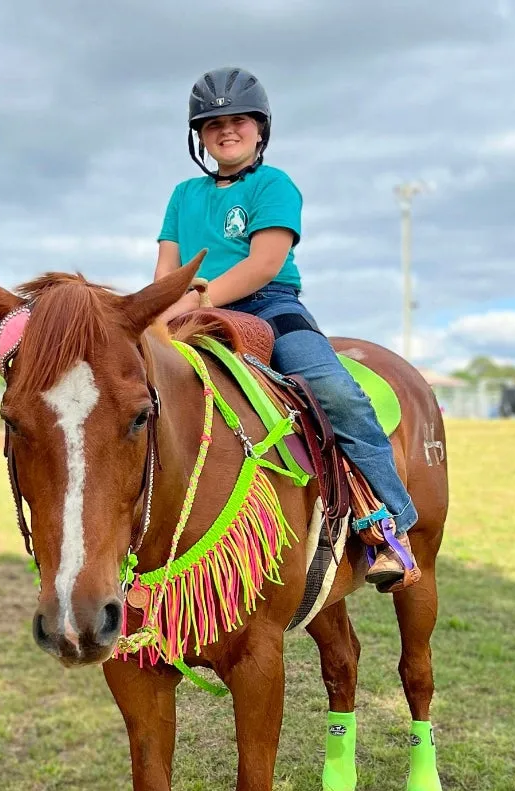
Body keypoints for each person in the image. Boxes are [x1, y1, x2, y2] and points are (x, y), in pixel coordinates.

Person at [153, 67, 418, 590]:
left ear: (260, 128)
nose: (225, 131)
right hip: (189, 309)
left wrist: (193, 297)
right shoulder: (183, 194)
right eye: (211, 124)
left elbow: (263, 264)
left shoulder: (275, 185)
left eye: (238, 121)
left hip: (269, 307)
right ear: (198, 137)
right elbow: (166, 268)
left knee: (335, 392)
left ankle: (388, 524)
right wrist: (157, 312)